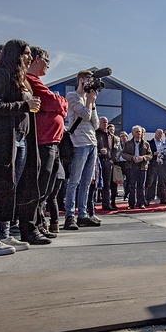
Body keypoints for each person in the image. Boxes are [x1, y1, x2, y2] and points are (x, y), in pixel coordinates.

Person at [0, 39, 42, 254]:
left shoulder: (19, 77)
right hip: (3, 139)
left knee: (10, 187)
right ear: (16, 54)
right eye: (27, 53)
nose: (30, 58)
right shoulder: (1, 74)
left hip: (20, 138)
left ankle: (4, 235)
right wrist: (25, 105)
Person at [23, 46, 67, 240]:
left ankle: (39, 224)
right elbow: (54, 103)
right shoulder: (30, 81)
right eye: (47, 61)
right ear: (37, 59)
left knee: (46, 188)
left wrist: (59, 105)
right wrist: (59, 104)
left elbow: (58, 105)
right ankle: (30, 227)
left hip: (52, 142)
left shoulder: (38, 82)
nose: (48, 65)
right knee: (38, 186)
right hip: (43, 142)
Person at [63, 70, 101, 230]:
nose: (89, 83)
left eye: (91, 80)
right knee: (74, 181)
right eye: (87, 80)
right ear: (80, 80)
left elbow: (96, 123)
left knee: (86, 182)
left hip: (92, 142)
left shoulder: (89, 99)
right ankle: (69, 215)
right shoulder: (72, 96)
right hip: (79, 142)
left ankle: (83, 215)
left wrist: (91, 102)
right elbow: (85, 116)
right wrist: (89, 103)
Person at [121, 125, 152, 209]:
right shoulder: (128, 143)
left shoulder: (146, 144)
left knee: (141, 186)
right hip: (131, 166)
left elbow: (150, 155)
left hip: (142, 166)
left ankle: (141, 203)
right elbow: (123, 154)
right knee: (132, 186)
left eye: (140, 132)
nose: (138, 133)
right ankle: (131, 204)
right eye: (137, 132)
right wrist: (131, 158)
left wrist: (143, 158)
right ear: (133, 133)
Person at [96, 117, 119, 211]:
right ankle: (90, 204)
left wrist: (112, 160)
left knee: (107, 184)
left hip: (108, 162)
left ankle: (106, 204)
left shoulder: (111, 136)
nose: (105, 124)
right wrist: (99, 151)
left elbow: (114, 149)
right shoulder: (96, 133)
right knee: (94, 184)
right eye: (103, 122)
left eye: (106, 122)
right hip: (97, 160)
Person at [146, 128, 165, 205]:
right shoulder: (150, 143)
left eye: (161, 133)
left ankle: (162, 198)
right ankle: (149, 198)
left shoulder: (163, 143)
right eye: (158, 133)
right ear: (155, 133)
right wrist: (154, 153)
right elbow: (147, 153)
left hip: (161, 165)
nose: (160, 135)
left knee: (162, 182)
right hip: (153, 164)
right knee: (151, 182)